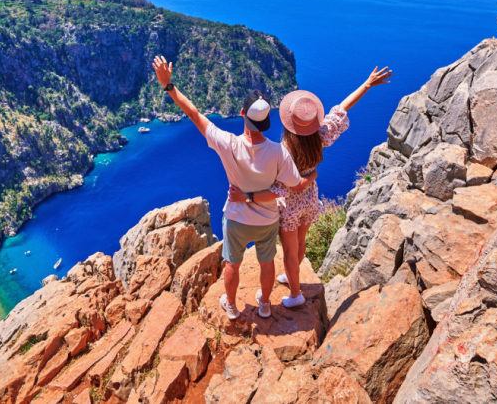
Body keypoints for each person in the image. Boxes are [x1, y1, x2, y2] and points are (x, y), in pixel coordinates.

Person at [152, 56, 317, 319]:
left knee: (233, 263)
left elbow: (193, 113)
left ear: (242, 114)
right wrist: (312, 177)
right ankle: (264, 304)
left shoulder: (227, 143)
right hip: (267, 221)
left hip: (237, 219)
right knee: (266, 263)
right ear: (267, 122)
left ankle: (231, 306)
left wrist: (168, 84)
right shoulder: (278, 153)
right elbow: (296, 185)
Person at [229, 66, 392, 308]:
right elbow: (341, 109)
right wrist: (367, 84)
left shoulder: (283, 151)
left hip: (291, 207)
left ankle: (295, 294)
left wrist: (247, 196)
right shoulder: (321, 136)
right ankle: (290, 277)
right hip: (310, 200)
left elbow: (284, 188)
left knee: (289, 252)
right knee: (301, 242)